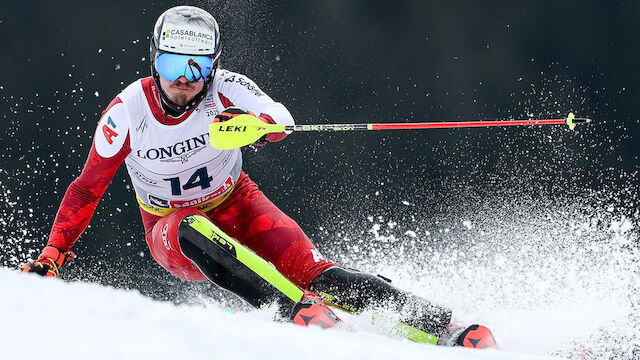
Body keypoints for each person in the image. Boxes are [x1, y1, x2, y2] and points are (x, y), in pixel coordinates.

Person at [20, 5, 496, 348]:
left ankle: (444, 327)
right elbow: (87, 186)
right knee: (191, 226)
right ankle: (295, 311)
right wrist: (53, 253)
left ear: (213, 66)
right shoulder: (127, 112)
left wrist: (261, 129)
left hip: (238, 202)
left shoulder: (225, 90)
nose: (182, 80)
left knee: (318, 272)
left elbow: (279, 116)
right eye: (170, 65)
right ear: (153, 61)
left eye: (197, 67)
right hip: (171, 229)